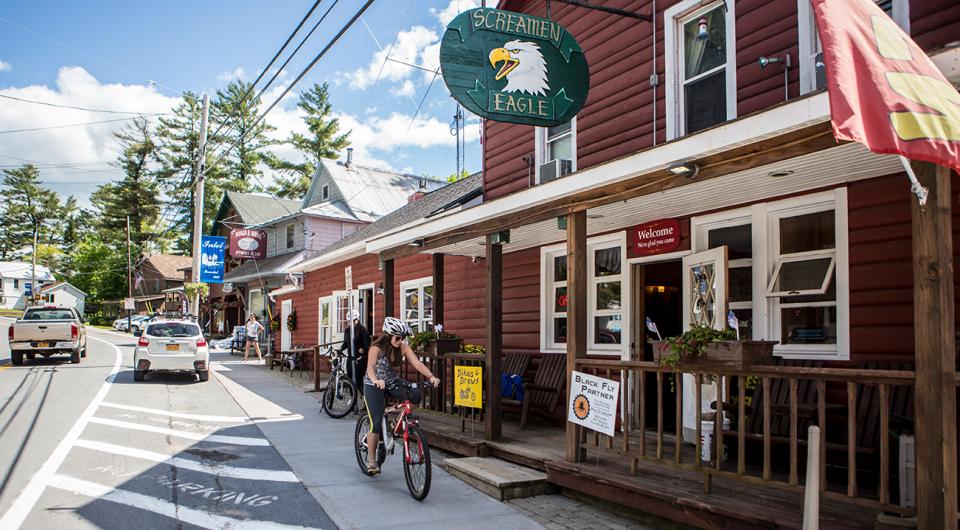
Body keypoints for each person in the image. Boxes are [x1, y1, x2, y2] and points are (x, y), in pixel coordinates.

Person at [363, 317, 439, 475]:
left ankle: (394, 418)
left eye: (402, 337)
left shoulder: (403, 347)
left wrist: (431, 376)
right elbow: (370, 367)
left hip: (390, 381)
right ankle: (372, 461)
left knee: (415, 394)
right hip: (373, 384)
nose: (400, 340)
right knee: (375, 423)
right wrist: (376, 380)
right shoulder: (376, 347)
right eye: (397, 337)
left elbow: (417, 364)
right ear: (388, 335)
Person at [339, 309, 371, 391]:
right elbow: (346, 343)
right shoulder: (347, 331)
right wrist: (340, 349)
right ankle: (353, 399)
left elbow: (367, 344)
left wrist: (363, 350)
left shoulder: (362, 330)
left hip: (360, 359)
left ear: (357, 320)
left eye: (353, 321)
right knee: (349, 379)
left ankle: (366, 400)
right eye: (350, 321)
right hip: (350, 358)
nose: (351, 322)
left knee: (358, 380)